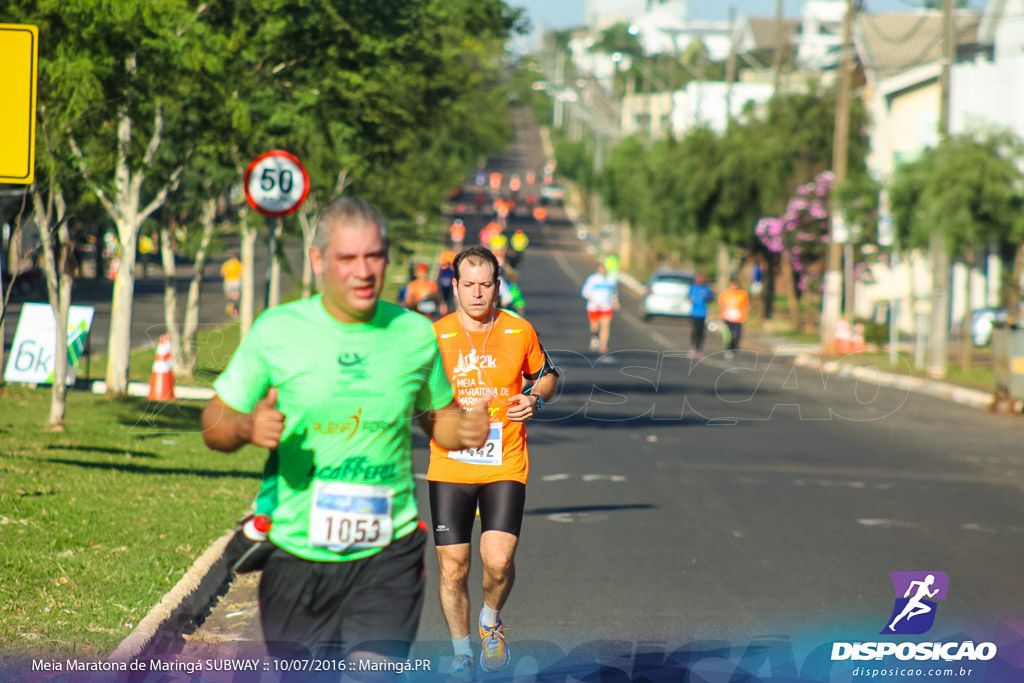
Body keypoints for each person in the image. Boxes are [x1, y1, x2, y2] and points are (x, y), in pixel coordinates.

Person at [200, 196, 492, 667]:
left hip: (388, 551)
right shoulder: (278, 331)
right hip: (297, 554)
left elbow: (441, 421)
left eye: (374, 256)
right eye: (347, 258)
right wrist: (246, 427)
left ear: (388, 257)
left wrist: (468, 428)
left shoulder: (414, 334)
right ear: (318, 260)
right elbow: (213, 424)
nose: (363, 270)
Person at [428, 245, 559, 679]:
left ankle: (490, 621)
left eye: (486, 285)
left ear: (498, 286)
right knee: (453, 566)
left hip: (505, 461)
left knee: (498, 560)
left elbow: (548, 376)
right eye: (469, 285)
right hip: (449, 466)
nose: (478, 294)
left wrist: (534, 398)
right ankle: (462, 651)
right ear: (456, 286)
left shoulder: (519, 331)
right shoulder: (434, 335)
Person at [581, 262, 619, 354]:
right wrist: (592, 299)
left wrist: (615, 302)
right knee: (595, 325)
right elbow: (585, 292)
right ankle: (594, 337)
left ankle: (603, 345)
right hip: (594, 306)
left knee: (605, 325)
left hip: (606, 307)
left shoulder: (611, 280)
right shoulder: (593, 279)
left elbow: (614, 292)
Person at [717, 279, 750, 359]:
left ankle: (734, 347)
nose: (734, 287)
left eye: (735, 285)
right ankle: (728, 348)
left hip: (739, 318)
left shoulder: (742, 294)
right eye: (733, 285)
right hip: (727, 318)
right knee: (728, 335)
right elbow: (721, 305)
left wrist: (746, 315)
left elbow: (746, 305)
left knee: (737, 335)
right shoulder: (725, 294)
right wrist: (720, 315)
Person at [687, 273, 714, 358]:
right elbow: (689, 296)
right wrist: (691, 299)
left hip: (703, 313)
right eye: (697, 279)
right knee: (694, 330)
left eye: (700, 279)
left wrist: (707, 297)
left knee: (701, 332)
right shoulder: (693, 287)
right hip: (694, 312)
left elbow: (711, 298)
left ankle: (699, 348)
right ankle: (693, 347)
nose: (698, 280)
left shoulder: (706, 289)